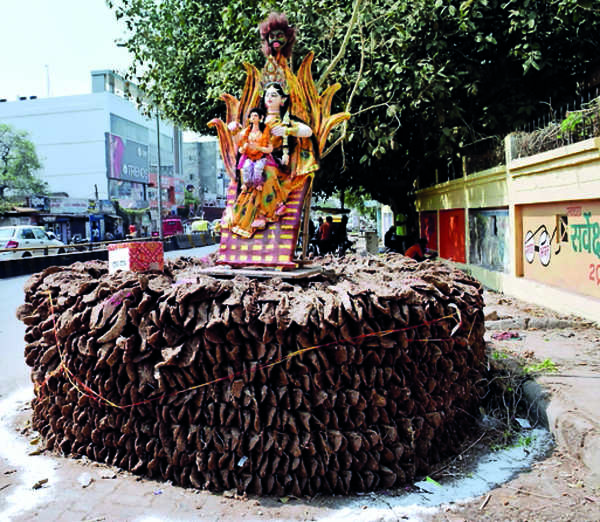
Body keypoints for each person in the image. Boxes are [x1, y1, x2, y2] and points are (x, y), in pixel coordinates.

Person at [237, 107, 273, 191]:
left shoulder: (265, 131)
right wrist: (243, 148)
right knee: (246, 168)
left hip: (261, 156)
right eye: (251, 116)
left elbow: (270, 149)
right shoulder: (246, 132)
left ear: (261, 118)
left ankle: (258, 183)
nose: (253, 117)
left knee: (258, 168)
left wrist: (259, 148)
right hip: (248, 156)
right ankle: (246, 184)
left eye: (255, 116)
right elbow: (240, 149)